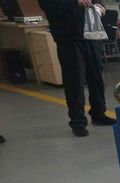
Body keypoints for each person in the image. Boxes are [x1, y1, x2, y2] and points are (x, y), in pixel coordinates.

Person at [38, 0, 115, 137]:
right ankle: (77, 121)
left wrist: (100, 6)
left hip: (91, 34)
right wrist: (75, 2)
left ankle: (98, 113)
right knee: (75, 79)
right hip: (68, 37)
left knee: (96, 76)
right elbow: (48, 5)